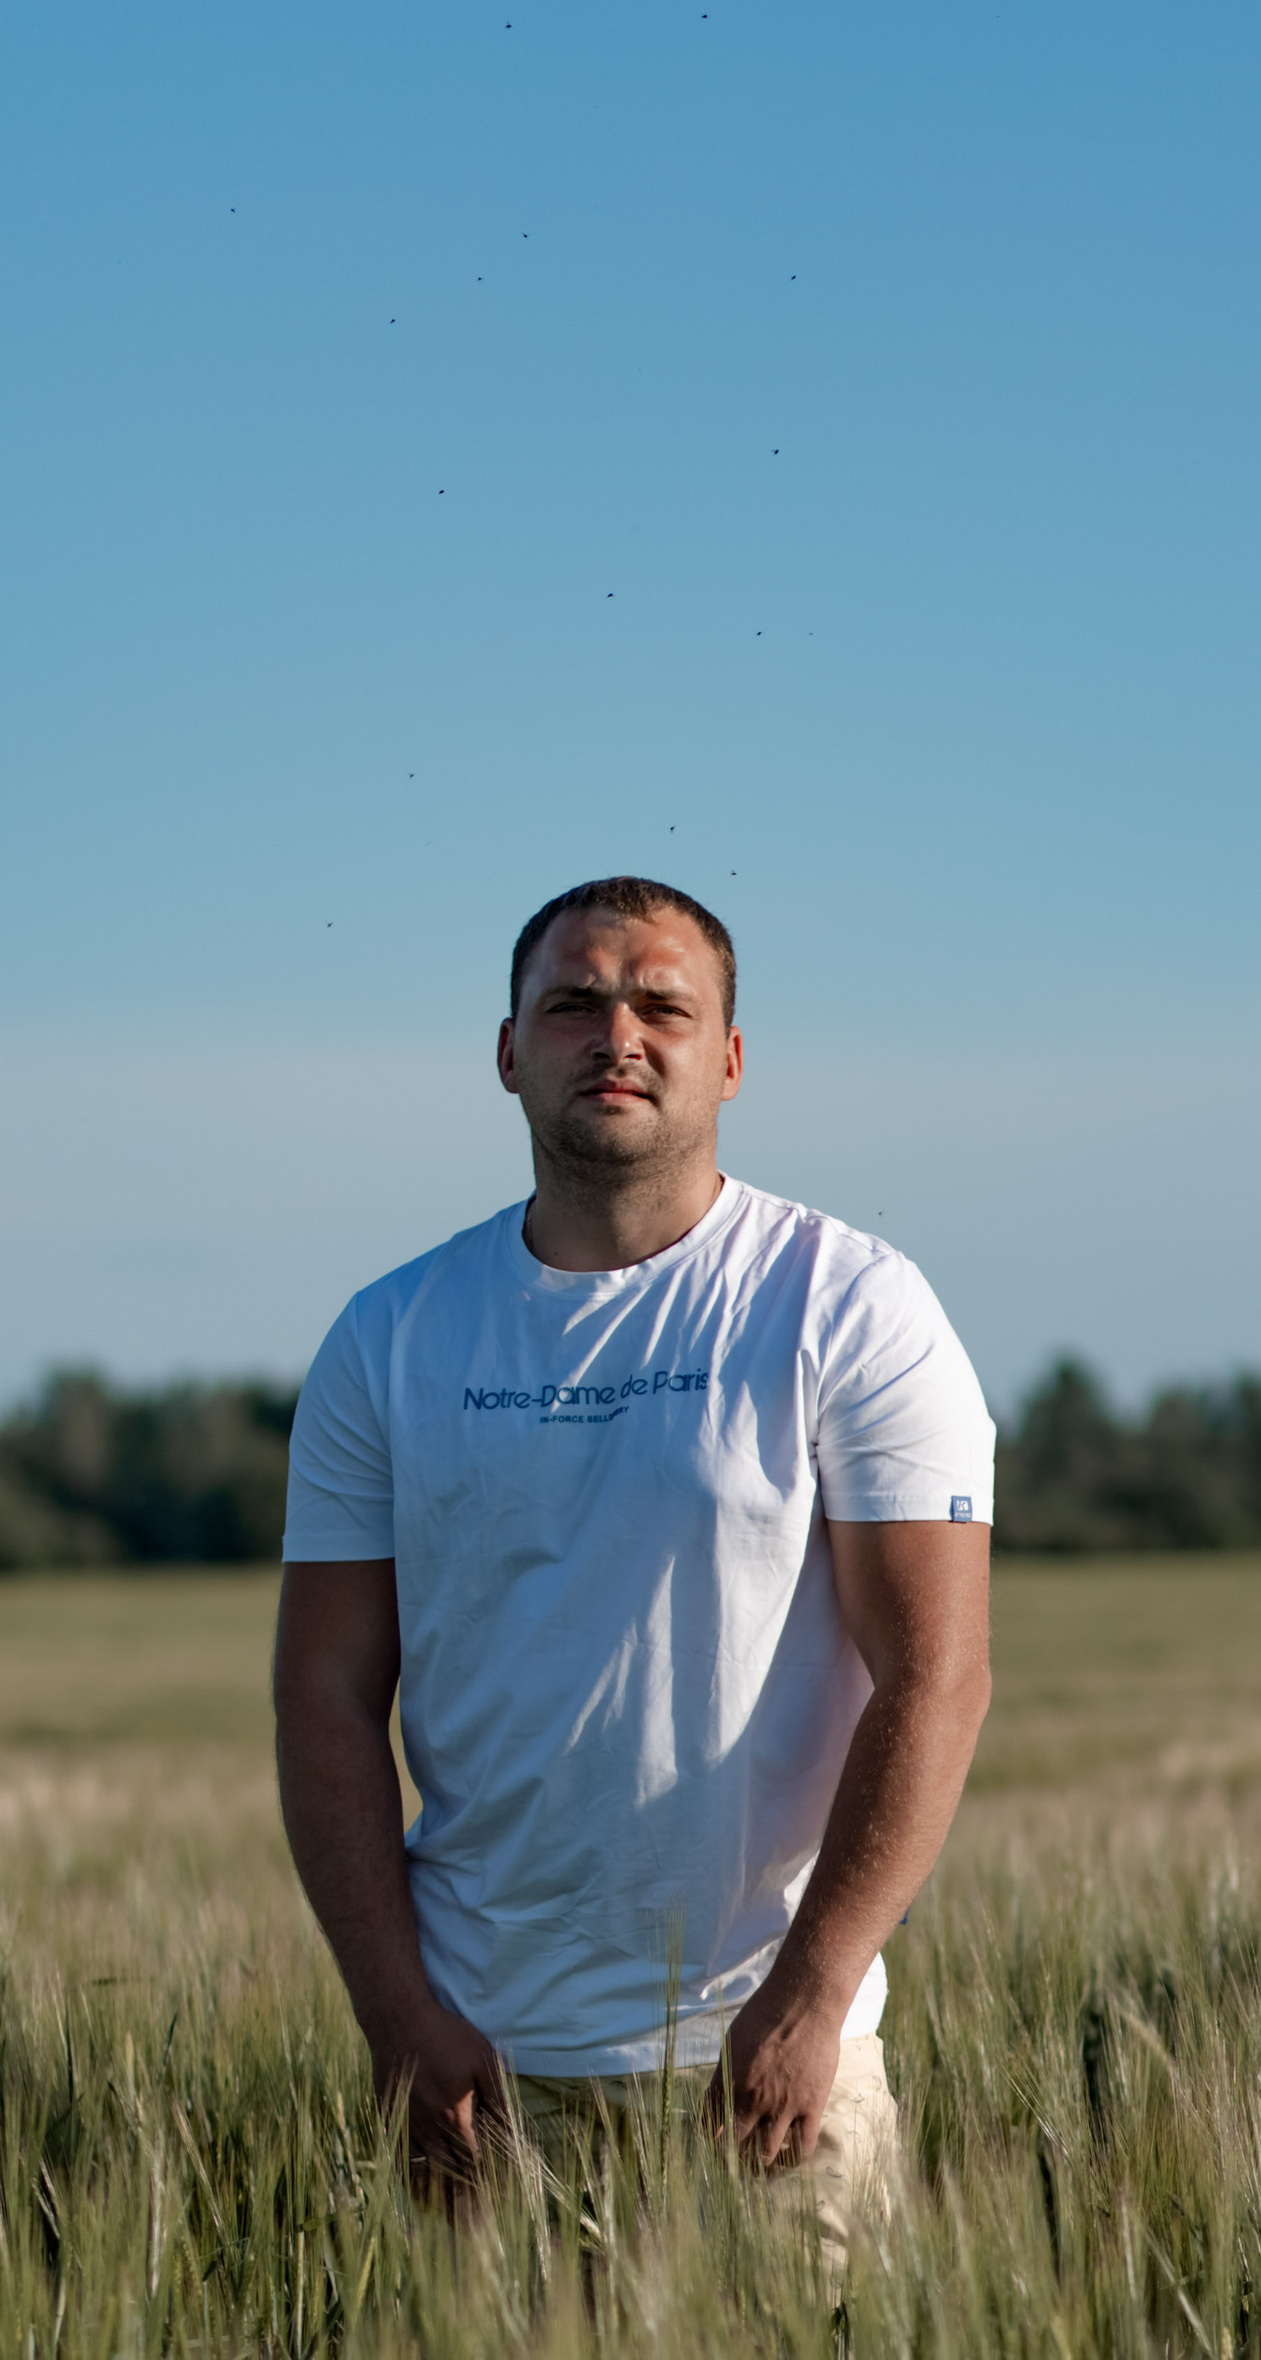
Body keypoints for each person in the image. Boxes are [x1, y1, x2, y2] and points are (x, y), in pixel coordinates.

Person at [273, 874, 994, 2253]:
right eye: (573, 1004)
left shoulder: (848, 1304)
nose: (619, 1035)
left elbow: (939, 1673)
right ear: (507, 1053)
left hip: (770, 2062)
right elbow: (321, 1693)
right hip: (479, 2069)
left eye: (663, 1004)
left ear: (728, 1058)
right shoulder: (392, 1338)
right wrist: (395, 2013)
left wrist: (814, 1992)